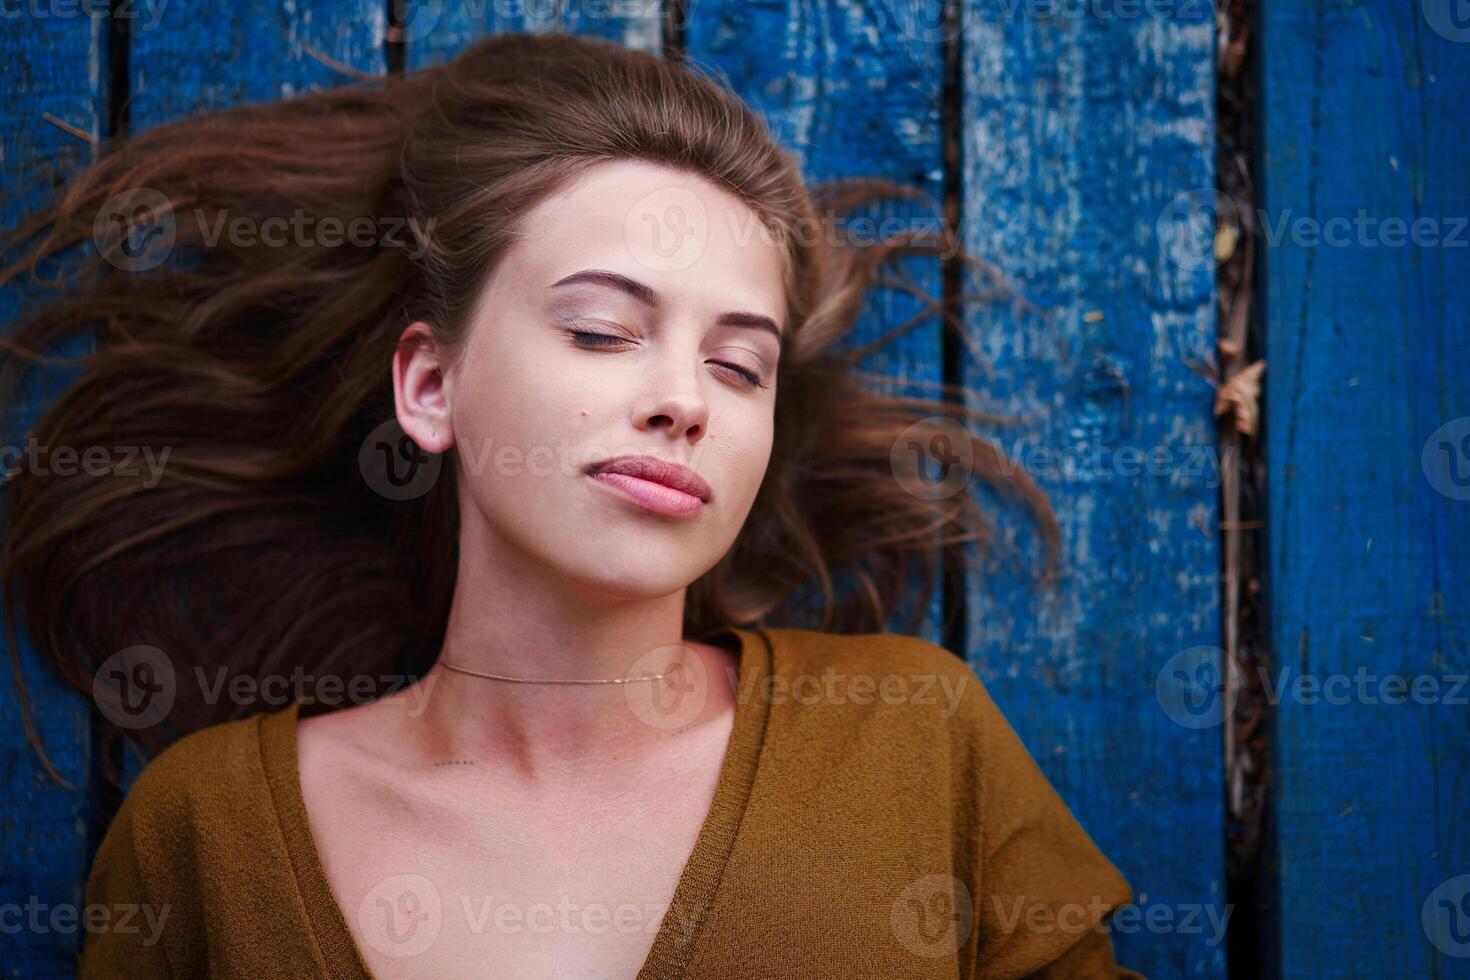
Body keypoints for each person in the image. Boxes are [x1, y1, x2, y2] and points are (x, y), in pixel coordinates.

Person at [1, 31, 1141, 978]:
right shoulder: (207, 835)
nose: (682, 399)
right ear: (431, 385)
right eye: (602, 331)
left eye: (741, 365)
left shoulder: (917, 742)